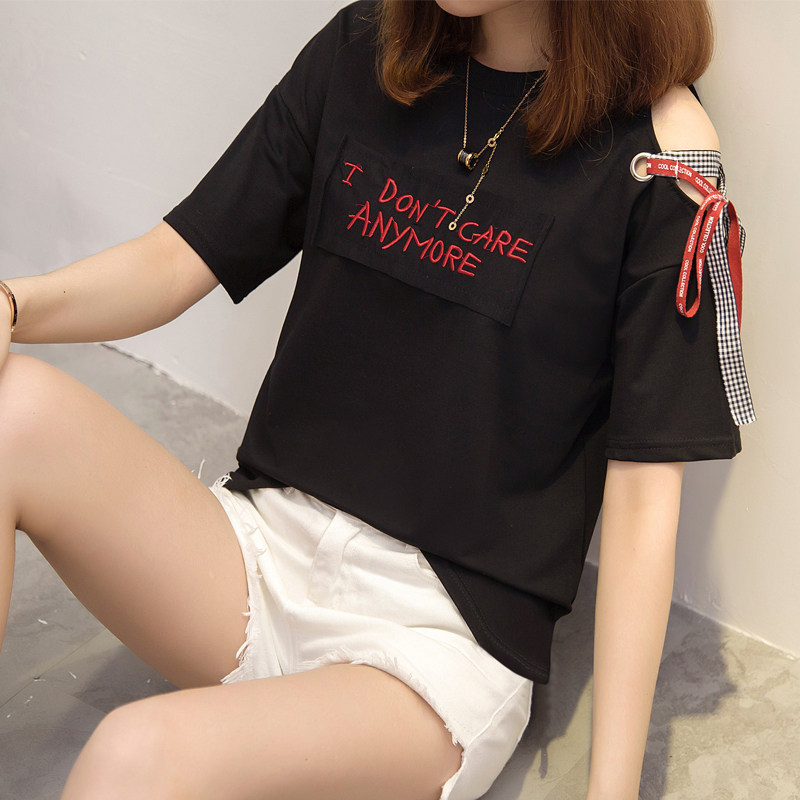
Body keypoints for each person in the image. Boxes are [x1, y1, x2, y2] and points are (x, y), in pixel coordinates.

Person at [0, 1, 754, 798]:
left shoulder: (662, 162)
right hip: (261, 557)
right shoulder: (370, 45)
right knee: (12, 410)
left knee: (133, 752)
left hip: (433, 645)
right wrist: (13, 304)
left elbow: (644, 499)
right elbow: (175, 259)